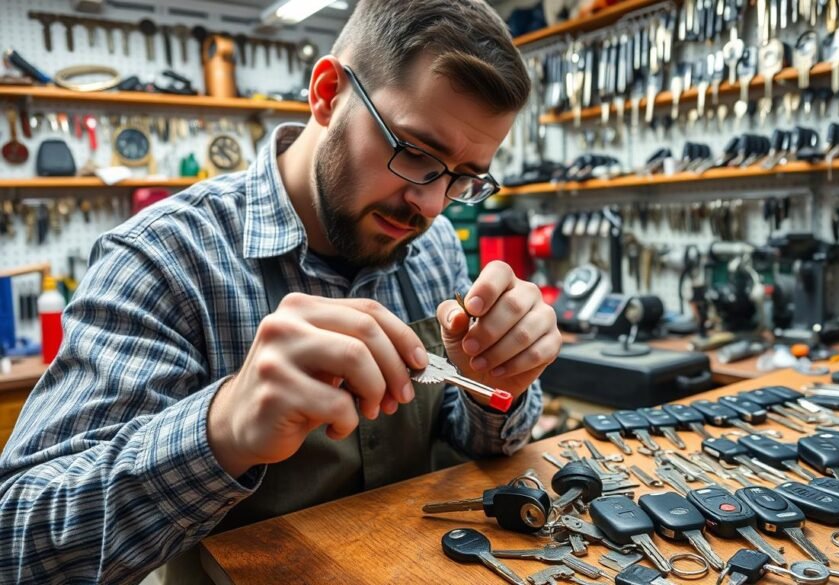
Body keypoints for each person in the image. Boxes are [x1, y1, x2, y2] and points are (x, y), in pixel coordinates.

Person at [0, 1, 559, 582]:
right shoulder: (163, 258)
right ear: (326, 93)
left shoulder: (434, 243)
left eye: (464, 178)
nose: (432, 204)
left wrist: (494, 393)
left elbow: (468, 440)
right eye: (416, 153)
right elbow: (15, 547)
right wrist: (220, 432)